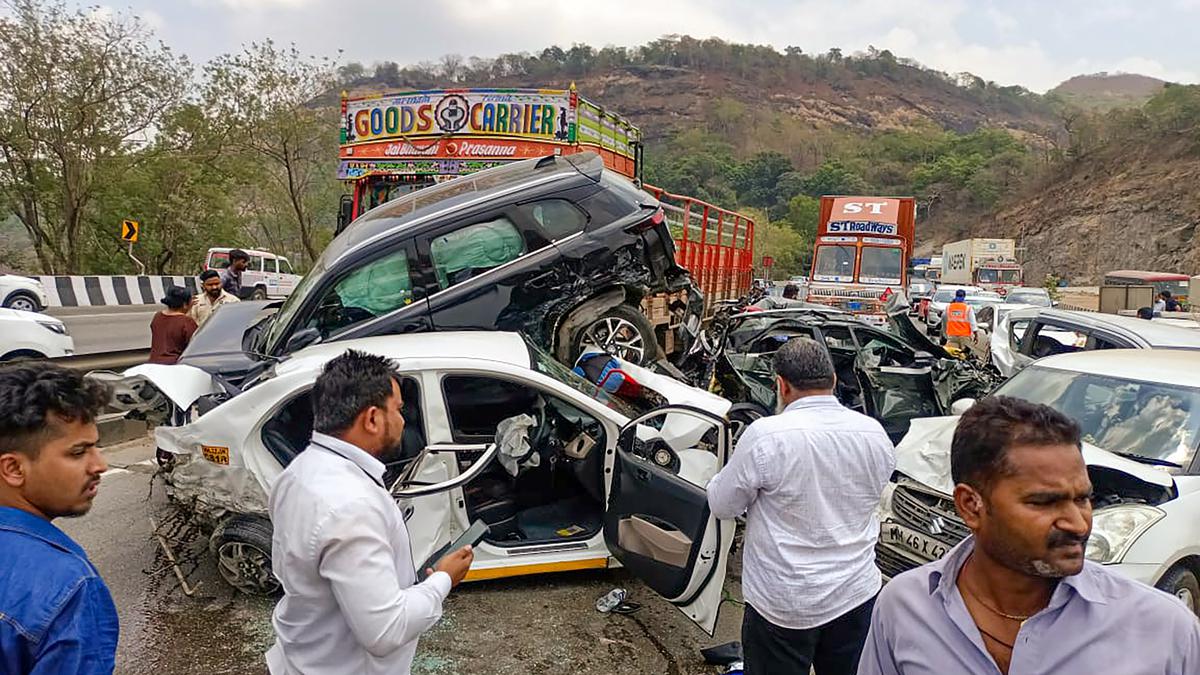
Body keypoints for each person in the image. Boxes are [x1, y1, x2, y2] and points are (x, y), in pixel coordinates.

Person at [857, 396, 1200, 675]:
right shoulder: (905, 608)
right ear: (971, 506)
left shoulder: (1165, 629)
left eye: (1083, 498)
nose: (1079, 524)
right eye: (1044, 502)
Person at [267, 350, 474, 675]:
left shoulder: (298, 472)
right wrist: (443, 581)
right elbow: (385, 630)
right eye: (399, 410)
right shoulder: (351, 506)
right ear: (373, 419)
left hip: (304, 656)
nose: (404, 421)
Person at [708, 338, 896, 675]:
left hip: (785, 603)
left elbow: (723, 505)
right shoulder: (874, 433)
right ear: (833, 381)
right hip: (857, 595)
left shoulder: (766, 435)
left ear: (781, 385)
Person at [0, 362, 118, 674]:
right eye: (79, 452)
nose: (100, 465)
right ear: (13, 469)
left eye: (97, 447)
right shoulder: (67, 587)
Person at [148, 287, 197, 365]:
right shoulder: (186, 321)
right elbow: (195, 346)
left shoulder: (157, 316)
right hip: (175, 365)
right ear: (185, 304)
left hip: (153, 363)